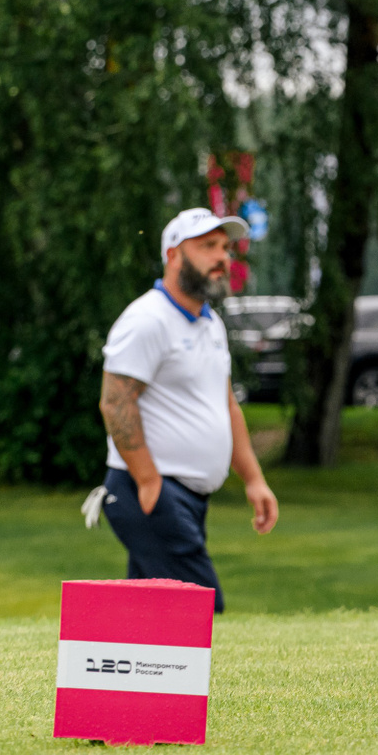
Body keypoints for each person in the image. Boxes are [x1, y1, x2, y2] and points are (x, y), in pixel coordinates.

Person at [93, 208, 279, 611]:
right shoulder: (147, 320)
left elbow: (226, 405)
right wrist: (148, 482)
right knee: (202, 609)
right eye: (208, 246)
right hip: (148, 490)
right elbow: (116, 401)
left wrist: (254, 479)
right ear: (173, 255)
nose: (223, 257)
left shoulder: (210, 323)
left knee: (150, 621)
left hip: (188, 498)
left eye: (225, 247)